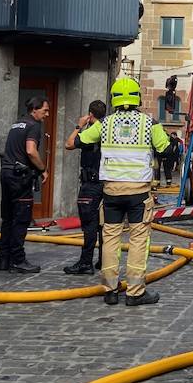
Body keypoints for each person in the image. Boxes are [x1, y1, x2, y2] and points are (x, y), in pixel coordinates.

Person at [79, 76, 169, 307]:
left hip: (111, 192)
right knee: (138, 240)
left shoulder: (104, 123)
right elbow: (165, 149)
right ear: (137, 97)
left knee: (110, 238)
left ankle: (110, 289)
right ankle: (135, 292)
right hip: (138, 193)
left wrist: (82, 125)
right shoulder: (150, 123)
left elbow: (82, 140)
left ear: (114, 98)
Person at [0, 97, 48, 274]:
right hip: (20, 177)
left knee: (8, 218)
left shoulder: (17, 124)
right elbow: (30, 150)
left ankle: (4, 258)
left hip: (7, 173)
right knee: (21, 219)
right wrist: (42, 169)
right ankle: (18, 260)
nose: (46, 114)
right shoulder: (34, 126)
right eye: (44, 110)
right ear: (34, 109)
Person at [63, 99, 107, 277]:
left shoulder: (93, 131)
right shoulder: (107, 129)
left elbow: (69, 144)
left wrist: (78, 126)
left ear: (90, 114)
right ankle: (104, 260)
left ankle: (85, 263)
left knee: (89, 224)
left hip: (91, 184)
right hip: (105, 183)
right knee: (104, 225)